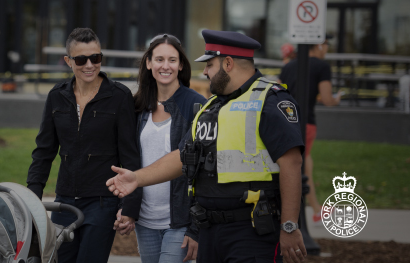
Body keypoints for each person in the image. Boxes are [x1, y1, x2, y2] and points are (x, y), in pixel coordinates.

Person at [106, 30, 308, 263]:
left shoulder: (270, 102)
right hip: (212, 232)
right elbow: (183, 156)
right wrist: (137, 179)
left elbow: (292, 164)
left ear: (228, 63)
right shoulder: (211, 108)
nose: (204, 71)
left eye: (210, 65)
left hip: (252, 231)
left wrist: (290, 226)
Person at [27, 27, 139, 263]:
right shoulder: (57, 96)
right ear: (68, 61)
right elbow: (44, 152)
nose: (89, 65)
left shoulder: (119, 96)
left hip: (102, 202)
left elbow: (130, 156)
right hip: (64, 201)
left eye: (95, 58)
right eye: (81, 59)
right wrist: (31, 197)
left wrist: (129, 206)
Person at [113, 34, 206, 263]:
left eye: (172, 60)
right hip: (145, 221)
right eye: (159, 59)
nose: (166, 66)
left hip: (180, 222)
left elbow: (204, 173)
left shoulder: (196, 106)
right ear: (148, 63)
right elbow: (130, 163)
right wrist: (128, 208)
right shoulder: (137, 106)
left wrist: (196, 228)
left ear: (181, 65)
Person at [278, 37, 342, 224]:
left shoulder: (289, 66)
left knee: (304, 163)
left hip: (284, 120)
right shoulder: (322, 66)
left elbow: (279, 90)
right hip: (306, 123)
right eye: (327, 45)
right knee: (301, 165)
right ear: (320, 45)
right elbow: (328, 99)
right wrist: (335, 99)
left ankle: (316, 208)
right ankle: (303, 212)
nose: (327, 50)